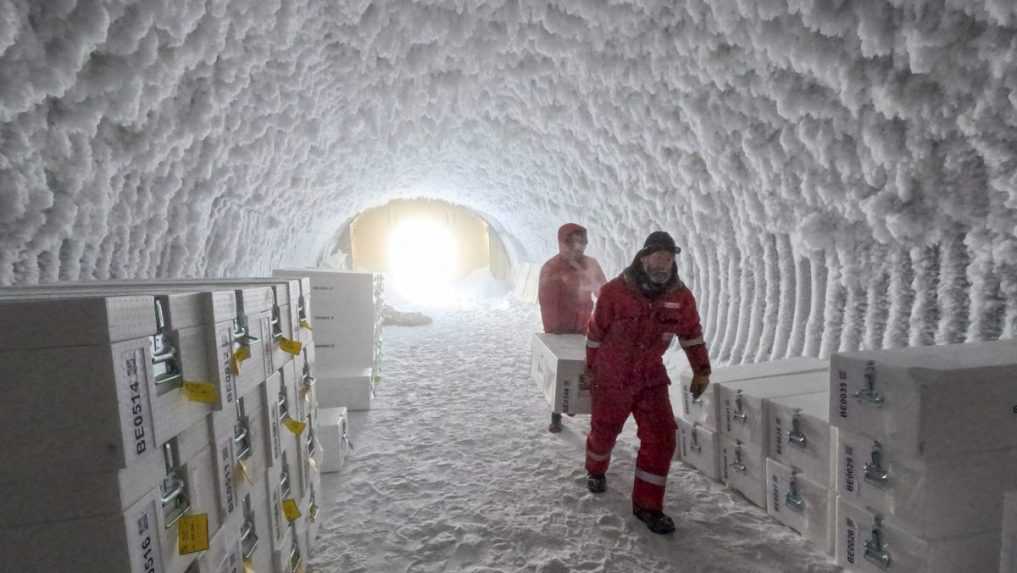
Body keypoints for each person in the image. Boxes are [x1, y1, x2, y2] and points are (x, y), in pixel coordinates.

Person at [582, 231, 711, 535]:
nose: (662, 264)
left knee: (662, 436)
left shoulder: (680, 297)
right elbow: (595, 332)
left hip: (650, 377)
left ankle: (648, 506)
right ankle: (595, 469)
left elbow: (691, 334)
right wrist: (591, 369)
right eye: (657, 257)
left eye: (668, 259)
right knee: (604, 431)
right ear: (643, 258)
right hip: (612, 375)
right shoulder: (615, 291)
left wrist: (701, 370)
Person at [538, 223, 607, 432]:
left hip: (585, 327)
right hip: (560, 330)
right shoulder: (552, 268)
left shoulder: (590, 265)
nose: (578, 248)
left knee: (587, 369)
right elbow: (547, 302)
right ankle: (556, 413)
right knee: (561, 372)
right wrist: (554, 332)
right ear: (562, 243)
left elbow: (604, 293)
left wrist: (604, 320)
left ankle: (582, 408)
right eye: (572, 243)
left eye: (581, 242)